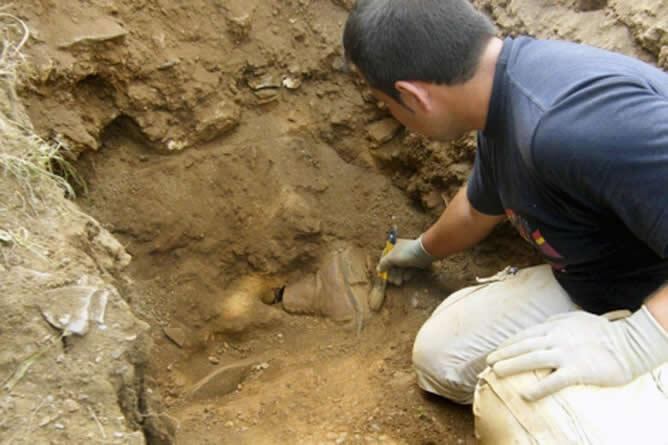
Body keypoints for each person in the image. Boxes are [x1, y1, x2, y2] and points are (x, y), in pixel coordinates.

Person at [343, 0, 668, 442]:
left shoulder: (573, 124)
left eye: (386, 104)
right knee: (444, 358)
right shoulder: (499, 95)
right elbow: (478, 207)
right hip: (602, 283)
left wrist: (635, 343)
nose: (390, 115)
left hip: (656, 312)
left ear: (413, 95)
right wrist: (420, 250)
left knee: (522, 416)